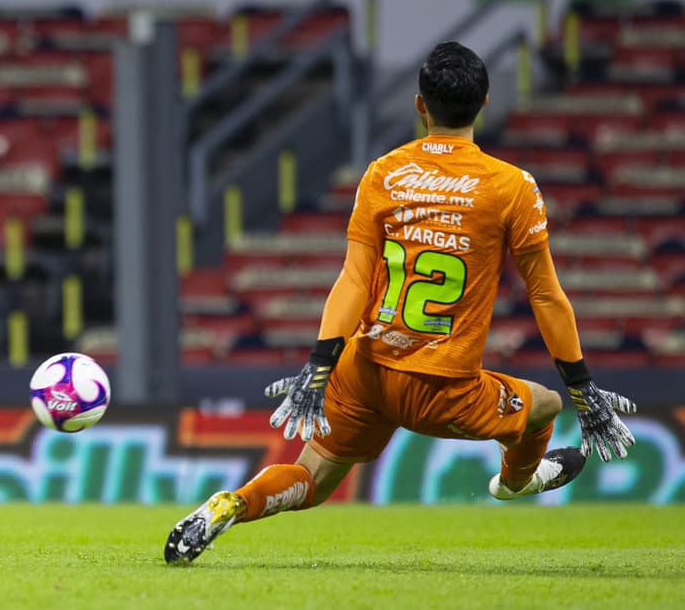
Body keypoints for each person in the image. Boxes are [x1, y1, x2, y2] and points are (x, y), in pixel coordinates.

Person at [164, 40, 637, 564]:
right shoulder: (512, 187)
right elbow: (546, 295)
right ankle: (515, 484)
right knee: (544, 405)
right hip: (442, 387)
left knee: (311, 480)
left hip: (363, 369)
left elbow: (351, 280)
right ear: (484, 104)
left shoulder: (384, 172)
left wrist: (320, 364)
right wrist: (584, 389)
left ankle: (231, 502)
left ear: (419, 105)